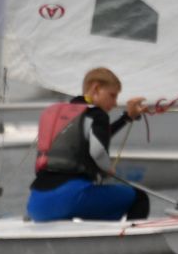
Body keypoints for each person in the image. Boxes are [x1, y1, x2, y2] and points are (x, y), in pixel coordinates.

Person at [27, 66, 154, 222]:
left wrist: (126, 118)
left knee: (97, 198)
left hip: (37, 203)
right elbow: (98, 151)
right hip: (70, 199)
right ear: (96, 88)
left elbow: (95, 136)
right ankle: (125, 244)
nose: (114, 103)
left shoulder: (63, 114)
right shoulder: (97, 115)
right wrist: (108, 169)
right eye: (112, 95)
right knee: (139, 198)